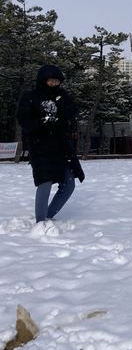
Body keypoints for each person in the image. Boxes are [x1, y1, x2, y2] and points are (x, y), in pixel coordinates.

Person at [17, 64, 85, 227]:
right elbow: (24, 120)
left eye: (57, 81)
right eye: (51, 81)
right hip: (40, 147)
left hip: (61, 146)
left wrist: (62, 111)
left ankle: (48, 215)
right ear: (43, 80)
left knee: (69, 184)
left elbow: (72, 110)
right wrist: (42, 122)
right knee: (45, 181)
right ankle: (40, 223)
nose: (54, 84)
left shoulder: (62, 96)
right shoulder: (31, 97)